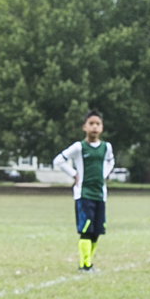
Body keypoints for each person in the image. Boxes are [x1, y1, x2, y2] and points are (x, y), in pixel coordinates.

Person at [53, 111, 115, 271]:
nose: (94, 127)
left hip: (100, 194)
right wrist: (73, 174)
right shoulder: (79, 147)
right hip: (84, 194)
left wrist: (105, 174)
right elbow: (59, 160)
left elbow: (110, 161)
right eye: (91, 123)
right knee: (86, 230)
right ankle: (84, 265)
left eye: (98, 124)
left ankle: (90, 263)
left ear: (102, 128)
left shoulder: (106, 147)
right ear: (84, 127)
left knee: (97, 231)